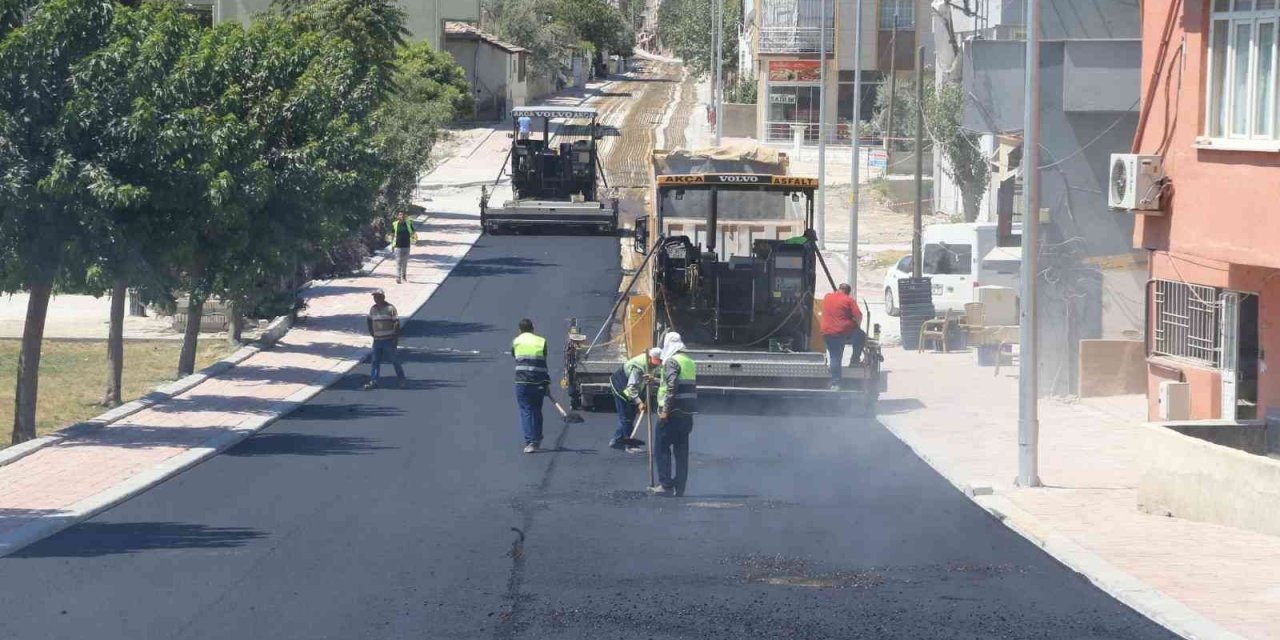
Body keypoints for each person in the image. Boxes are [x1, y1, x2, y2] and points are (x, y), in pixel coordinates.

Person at [650, 332, 696, 497]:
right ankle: (680, 487)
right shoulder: (689, 362)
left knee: (661, 447)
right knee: (681, 452)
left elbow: (672, 386)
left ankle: (666, 485)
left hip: (672, 412)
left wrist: (665, 411)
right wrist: (654, 381)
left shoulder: (671, 361)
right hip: (687, 413)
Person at [608, 347, 663, 450]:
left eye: (659, 362)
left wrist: (648, 392)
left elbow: (647, 381)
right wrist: (639, 402)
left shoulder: (652, 364)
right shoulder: (639, 367)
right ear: (650, 358)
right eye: (656, 361)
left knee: (630, 416)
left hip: (631, 388)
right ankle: (627, 443)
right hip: (620, 385)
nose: (657, 364)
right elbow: (631, 387)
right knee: (625, 417)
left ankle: (618, 440)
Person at [512, 318, 549, 453]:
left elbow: (514, 356)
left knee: (526, 410)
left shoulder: (516, 341)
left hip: (522, 382)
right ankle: (538, 437)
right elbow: (544, 361)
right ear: (533, 328)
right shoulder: (541, 341)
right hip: (539, 381)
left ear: (520, 330)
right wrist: (547, 383)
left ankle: (530, 441)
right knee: (537, 409)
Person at [821, 283, 866, 390]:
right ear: (848, 292)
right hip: (842, 333)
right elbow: (859, 316)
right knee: (861, 336)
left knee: (835, 357)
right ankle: (854, 362)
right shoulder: (849, 300)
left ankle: (836, 383)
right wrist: (856, 325)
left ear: (838, 289)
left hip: (827, 333)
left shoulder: (827, 297)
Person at [365, 289, 406, 389]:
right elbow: (369, 320)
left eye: (378, 296)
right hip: (377, 340)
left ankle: (401, 380)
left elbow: (396, 323)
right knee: (375, 361)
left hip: (388, 340)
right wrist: (371, 332)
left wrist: (395, 338)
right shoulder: (373, 309)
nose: (376, 299)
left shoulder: (390, 308)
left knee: (394, 360)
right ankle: (373, 381)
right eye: (374, 297)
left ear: (383, 297)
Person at [391, 212, 417, 284]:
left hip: (406, 246)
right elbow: (392, 234)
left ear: (405, 216)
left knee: (404, 263)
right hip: (397, 246)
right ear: (398, 216)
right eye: (400, 215)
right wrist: (392, 245)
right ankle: (398, 278)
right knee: (398, 262)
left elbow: (413, 233)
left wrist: (414, 240)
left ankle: (404, 277)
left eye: (403, 215)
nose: (401, 216)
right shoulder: (395, 224)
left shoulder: (408, 223)